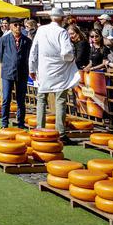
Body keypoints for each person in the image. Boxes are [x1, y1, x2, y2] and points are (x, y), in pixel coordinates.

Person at [28, 7, 79, 138]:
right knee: (60, 100)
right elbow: (66, 52)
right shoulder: (62, 31)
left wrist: (32, 68)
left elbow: (33, 50)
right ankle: (60, 132)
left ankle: (40, 128)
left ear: (51, 17)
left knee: (41, 99)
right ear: (62, 19)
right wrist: (71, 59)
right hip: (59, 71)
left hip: (44, 70)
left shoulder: (41, 29)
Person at [0, 19, 32, 129]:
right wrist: (9, 63)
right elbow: (0, 56)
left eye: (19, 25)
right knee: (6, 98)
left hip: (22, 73)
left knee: (21, 99)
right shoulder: (4, 39)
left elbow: (29, 56)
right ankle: (4, 123)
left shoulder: (27, 41)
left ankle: (20, 122)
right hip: (8, 72)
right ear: (11, 27)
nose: (18, 27)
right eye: (15, 25)